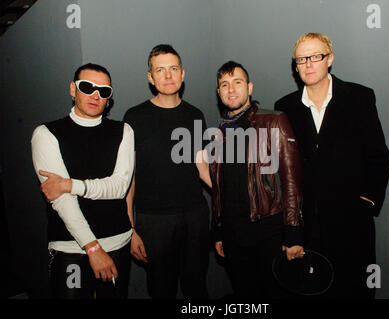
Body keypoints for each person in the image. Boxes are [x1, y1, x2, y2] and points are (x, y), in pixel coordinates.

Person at [275, 33, 389, 298]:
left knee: (354, 291)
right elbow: (284, 171)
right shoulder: (285, 108)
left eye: (315, 56)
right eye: (301, 59)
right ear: (295, 65)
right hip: (306, 229)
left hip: (352, 223)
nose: (308, 63)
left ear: (330, 59)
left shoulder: (359, 98)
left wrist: (367, 202)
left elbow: (379, 157)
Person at [31, 63, 135, 299]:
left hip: (118, 242)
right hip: (71, 249)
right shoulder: (46, 134)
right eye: (87, 87)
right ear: (72, 89)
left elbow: (119, 188)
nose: (95, 95)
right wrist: (93, 247)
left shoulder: (123, 131)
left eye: (104, 90)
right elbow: (62, 202)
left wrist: (70, 184)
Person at [210, 61, 304, 298]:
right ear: (219, 93)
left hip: (268, 233)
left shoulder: (273, 120)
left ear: (249, 87)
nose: (231, 90)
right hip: (232, 235)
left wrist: (292, 233)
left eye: (237, 83)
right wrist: (219, 231)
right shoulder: (218, 133)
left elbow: (291, 180)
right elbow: (219, 188)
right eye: (225, 84)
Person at [123, 44, 211, 299]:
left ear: (183, 74)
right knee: (161, 290)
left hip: (195, 216)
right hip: (154, 221)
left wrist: (232, 197)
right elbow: (130, 177)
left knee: (197, 288)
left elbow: (202, 167)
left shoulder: (195, 114)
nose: (168, 76)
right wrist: (130, 228)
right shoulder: (135, 117)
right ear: (150, 78)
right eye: (160, 70)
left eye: (173, 69)